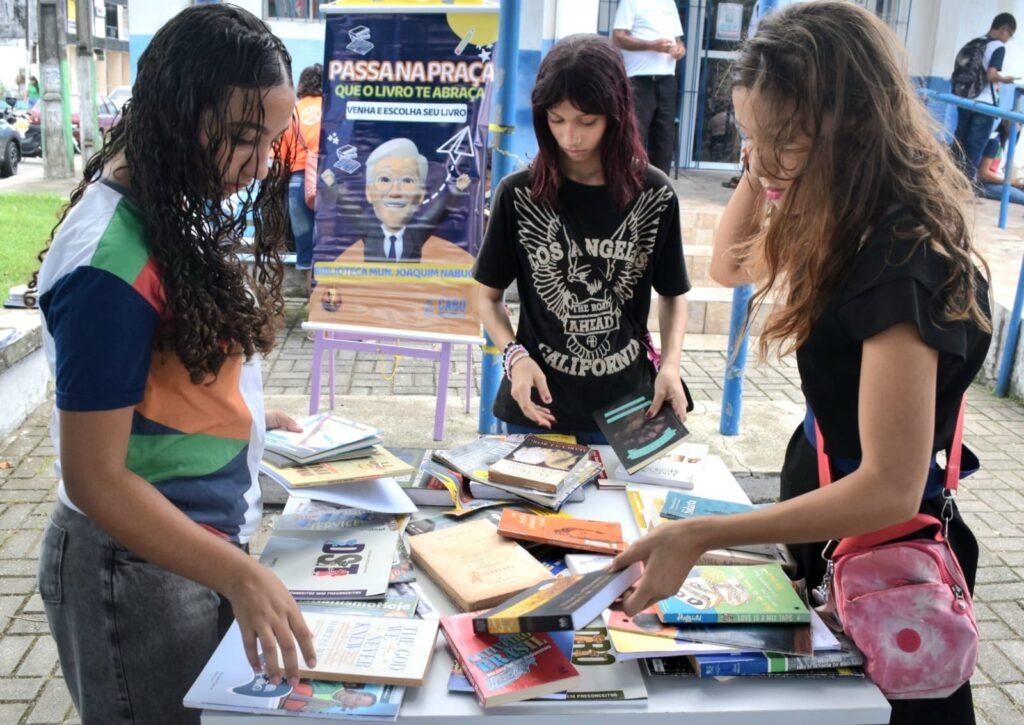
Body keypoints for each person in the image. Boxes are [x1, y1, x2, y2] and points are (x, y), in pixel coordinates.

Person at [612, 5, 991, 725]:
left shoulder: (901, 264)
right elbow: (728, 263)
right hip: (838, 548)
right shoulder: (849, 219)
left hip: (889, 572)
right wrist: (766, 169)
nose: (758, 159)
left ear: (854, 125)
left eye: (783, 139)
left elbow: (888, 485)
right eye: (748, 137)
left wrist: (701, 534)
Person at [27, 6, 316, 723]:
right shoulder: (109, 260)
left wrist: (249, 419)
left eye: (272, 142)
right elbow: (95, 476)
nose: (256, 166)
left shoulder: (163, 203)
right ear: (179, 114)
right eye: (244, 139)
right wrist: (240, 574)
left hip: (179, 555)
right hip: (134, 573)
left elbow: (160, 378)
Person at [473, 34, 690, 446]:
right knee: (530, 513)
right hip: (536, 408)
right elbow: (487, 297)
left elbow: (673, 293)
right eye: (556, 120)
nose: (570, 136)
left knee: (625, 512)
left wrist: (671, 366)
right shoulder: (519, 194)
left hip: (630, 410)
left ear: (616, 115)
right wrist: (513, 356)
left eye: (586, 122)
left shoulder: (654, 192)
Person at [611, 0, 685, 175]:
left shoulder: (669, 4)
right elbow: (618, 38)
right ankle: (628, 185)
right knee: (635, 136)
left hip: (667, 79)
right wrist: (651, 45)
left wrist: (680, 49)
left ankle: (660, 189)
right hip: (639, 81)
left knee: (665, 140)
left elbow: (678, 41)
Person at [952, 13, 1017, 181]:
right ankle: (966, 188)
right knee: (974, 147)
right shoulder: (998, 46)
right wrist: (1006, 79)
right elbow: (991, 74)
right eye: (1009, 35)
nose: (1007, 40)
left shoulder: (975, 43)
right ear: (1004, 29)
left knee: (959, 144)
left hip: (965, 99)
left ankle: (950, 183)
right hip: (984, 103)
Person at [278, 63, 323, 289]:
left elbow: (280, 157)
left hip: (297, 180)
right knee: (328, 242)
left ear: (302, 84)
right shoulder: (333, 109)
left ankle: (311, 304)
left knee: (306, 247)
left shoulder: (292, 112)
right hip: (327, 182)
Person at [361, 137, 431, 262]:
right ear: (369, 192)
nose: (395, 192)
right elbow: (348, 206)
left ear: (420, 195)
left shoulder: (416, 235)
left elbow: (439, 211)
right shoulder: (370, 233)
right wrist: (331, 184)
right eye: (385, 179)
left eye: (407, 180)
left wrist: (457, 189)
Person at [976, 121, 1024, 203]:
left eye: (1020, 123)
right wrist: (1011, 182)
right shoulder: (994, 141)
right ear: (1004, 122)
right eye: (1012, 122)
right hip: (986, 185)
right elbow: (984, 173)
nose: (1017, 126)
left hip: (998, 183)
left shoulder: (1007, 142)